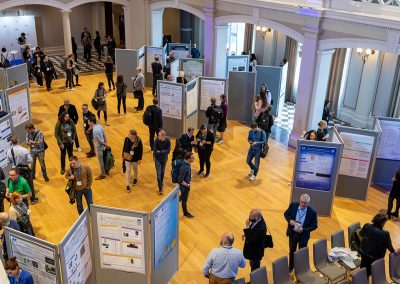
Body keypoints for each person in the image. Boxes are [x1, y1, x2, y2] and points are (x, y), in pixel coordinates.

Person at [284, 194, 318, 272]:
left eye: (305, 203)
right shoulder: (293, 205)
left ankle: (299, 269)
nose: (303, 204)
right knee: (292, 251)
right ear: (299, 200)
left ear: (308, 202)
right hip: (292, 233)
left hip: (303, 235)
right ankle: (291, 267)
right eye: (302, 202)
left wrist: (304, 230)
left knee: (301, 253)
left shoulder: (312, 212)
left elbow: (314, 226)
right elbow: (286, 214)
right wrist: (290, 221)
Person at [6, 136, 38, 204]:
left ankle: (16, 199)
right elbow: (30, 160)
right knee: (29, 184)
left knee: (17, 185)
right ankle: (32, 200)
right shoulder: (24, 150)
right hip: (25, 170)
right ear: (18, 141)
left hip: (16, 170)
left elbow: (8, 162)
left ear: (11, 143)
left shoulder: (9, 151)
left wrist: (14, 165)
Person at [153, 130, 171, 194]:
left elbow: (168, 151)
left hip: (164, 159)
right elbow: (155, 150)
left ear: (163, 136)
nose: (158, 136)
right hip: (157, 159)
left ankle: (161, 182)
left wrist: (160, 151)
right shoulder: (156, 140)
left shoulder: (168, 141)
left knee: (163, 172)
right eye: (158, 135)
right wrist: (163, 151)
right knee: (158, 173)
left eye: (159, 135)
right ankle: (160, 187)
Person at [178, 152, 195, 218]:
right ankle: (185, 213)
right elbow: (180, 180)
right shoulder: (184, 167)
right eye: (192, 158)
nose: (194, 159)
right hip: (184, 187)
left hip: (186, 185)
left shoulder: (187, 163)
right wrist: (187, 185)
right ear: (188, 159)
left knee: (182, 197)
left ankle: (174, 203)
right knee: (184, 200)